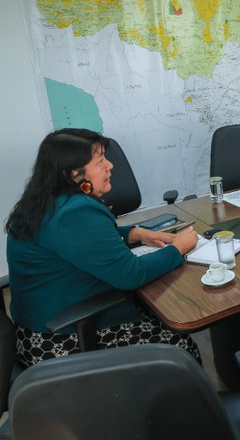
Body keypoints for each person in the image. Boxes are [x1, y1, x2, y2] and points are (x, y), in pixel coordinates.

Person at [5, 129, 201, 366]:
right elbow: (131, 274)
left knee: (159, 313)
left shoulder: (46, 199)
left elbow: (75, 241)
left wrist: (133, 234)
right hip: (63, 341)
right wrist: (178, 248)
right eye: (100, 162)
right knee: (181, 349)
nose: (110, 166)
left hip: (35, 331)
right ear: (74, 174)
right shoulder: (76, 213)